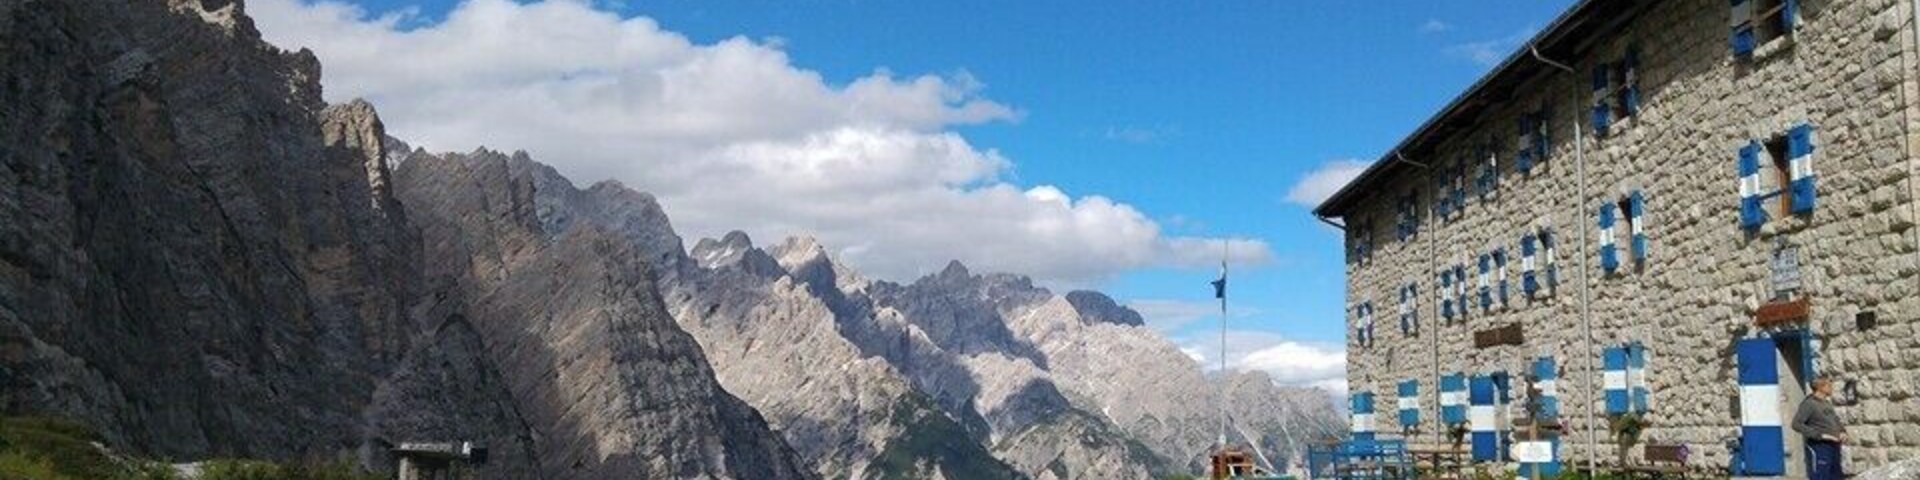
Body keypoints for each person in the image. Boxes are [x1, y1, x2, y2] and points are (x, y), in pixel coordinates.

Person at [1793, 378, 1847, 480]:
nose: (1831, 388)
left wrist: (1842, 431)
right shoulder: (1809, 404)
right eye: (1829, 386)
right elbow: (1796, 424)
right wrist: (1820, 435)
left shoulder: (1826, 403)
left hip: (1834, 446)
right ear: (1820, 388)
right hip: (1819, 447)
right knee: (1821, 476)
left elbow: (1835, 420)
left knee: (1836, 476)